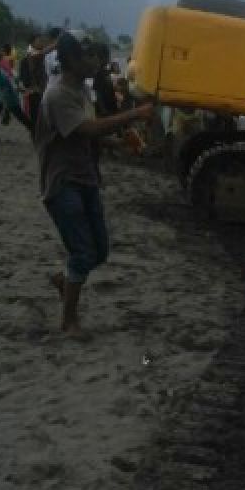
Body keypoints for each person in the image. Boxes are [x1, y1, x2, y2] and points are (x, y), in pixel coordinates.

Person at [33, 32, 154, 335]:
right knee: (83, 253)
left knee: (100, 251)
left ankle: (65, 281)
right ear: (72, 60)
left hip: (85, 177)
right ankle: (68, 321)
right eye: (89, 56)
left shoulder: (81, 90)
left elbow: (84, 135)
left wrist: (117, 144)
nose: (97, 61)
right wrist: (135, 114)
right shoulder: (58, 93)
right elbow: (86, 127)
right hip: (62, 182)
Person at [0, 50, 33, 131]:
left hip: (10, 100)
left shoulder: (2, 73)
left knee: (22, 118)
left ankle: (35, 131)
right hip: (3, 100)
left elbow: (11, 85)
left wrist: (5, 108)